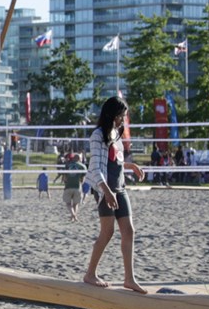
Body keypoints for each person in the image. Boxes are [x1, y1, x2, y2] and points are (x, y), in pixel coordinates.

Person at [82, 96, 147, 294]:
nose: (123, 120)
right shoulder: (98, 135)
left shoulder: (116, 134)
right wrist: (106, 191)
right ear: (112, 114)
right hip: (104, 188)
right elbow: (95, 167)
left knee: (129, 231)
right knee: (107, 231)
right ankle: (90, 273)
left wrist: (131, 166)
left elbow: (115, 162)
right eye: (121, 116)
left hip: (119, 187)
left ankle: (129, 278)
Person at [62, 154, 87, 222]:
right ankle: (74, 216)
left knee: (68, 203)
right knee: (76, 204)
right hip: (77, 186)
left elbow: (64, 178)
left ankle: (73, 215)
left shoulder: (68, 165)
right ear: (79, 159)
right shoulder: (82, 166)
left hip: (68, 186)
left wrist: (66, 183)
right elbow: (83, 179)